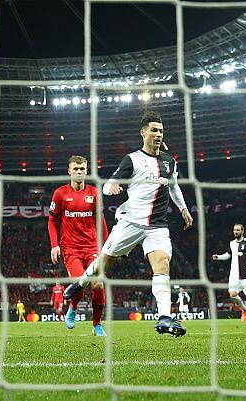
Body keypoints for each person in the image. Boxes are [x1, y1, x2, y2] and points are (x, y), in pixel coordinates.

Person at [63, 110, 193, 337]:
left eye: (161, 131)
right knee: (104, 263)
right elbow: (109, 183)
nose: (158, 134)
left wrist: (183, 209)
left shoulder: (170, 162)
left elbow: (173, 187)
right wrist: (111, 187)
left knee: (162, 264)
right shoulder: (132, 159)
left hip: (158, 225)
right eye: (154, 130)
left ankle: (164, 316)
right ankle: (80, 283)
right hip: (131, 221)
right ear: (143, 133)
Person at [48, 155, 109, 336]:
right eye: (76, 169)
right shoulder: (60, 194)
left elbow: (101, 221)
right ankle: (73, 308)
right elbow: (52, 220)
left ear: (87, 170)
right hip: (71, 248)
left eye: (82, 169)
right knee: (79, 284)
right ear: (69, 171)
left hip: (91, 247)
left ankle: (97, 325)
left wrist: (106, 247)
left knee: (98, 285)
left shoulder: (94, 193)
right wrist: (54, 245)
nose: (79, 172)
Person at [212, 223, 246, 327]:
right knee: (232, 295)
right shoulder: (232, 243)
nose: (236, 232)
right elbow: (228, 255)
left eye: (238, 230)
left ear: (242, 231)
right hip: (234, 275)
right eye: (234, 230)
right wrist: (219, 257)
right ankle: (244, 310)